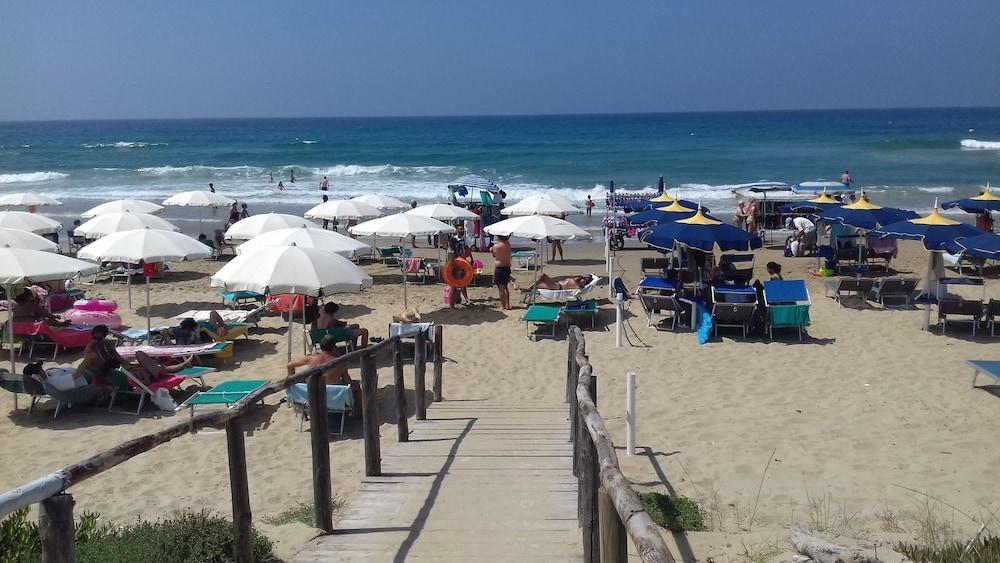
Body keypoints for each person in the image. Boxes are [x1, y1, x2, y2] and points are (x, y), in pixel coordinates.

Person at [286, 334, 361, 410]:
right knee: (356, 386)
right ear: (334, 348)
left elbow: (289, 365)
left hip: (311, 396)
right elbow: (347, 381)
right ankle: (360, 411)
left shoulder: (311, 358)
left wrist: (292, 382)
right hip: (332, 399)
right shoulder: (340, 362)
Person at [491, 234, 513, 310]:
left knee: (501, 288)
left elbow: (494, 255)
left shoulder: (496, 246)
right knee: (505, 287)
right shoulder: (508, 244)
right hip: (507, 267)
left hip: (500, 268)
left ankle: (503, 305)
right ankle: (507, 304)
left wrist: (491, 249)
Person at [518, 273, 591, 291]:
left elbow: (582, 288)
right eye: (583, 279)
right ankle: (519, 287)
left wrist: (589, 280)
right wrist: (587, 276)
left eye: (585, 281)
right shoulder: (576, 280)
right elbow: (581, 277)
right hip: (555, 283)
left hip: (557, 286)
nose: (583, 281)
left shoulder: (579, 286)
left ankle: (528, 287)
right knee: (537, 285)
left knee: (542, 275)